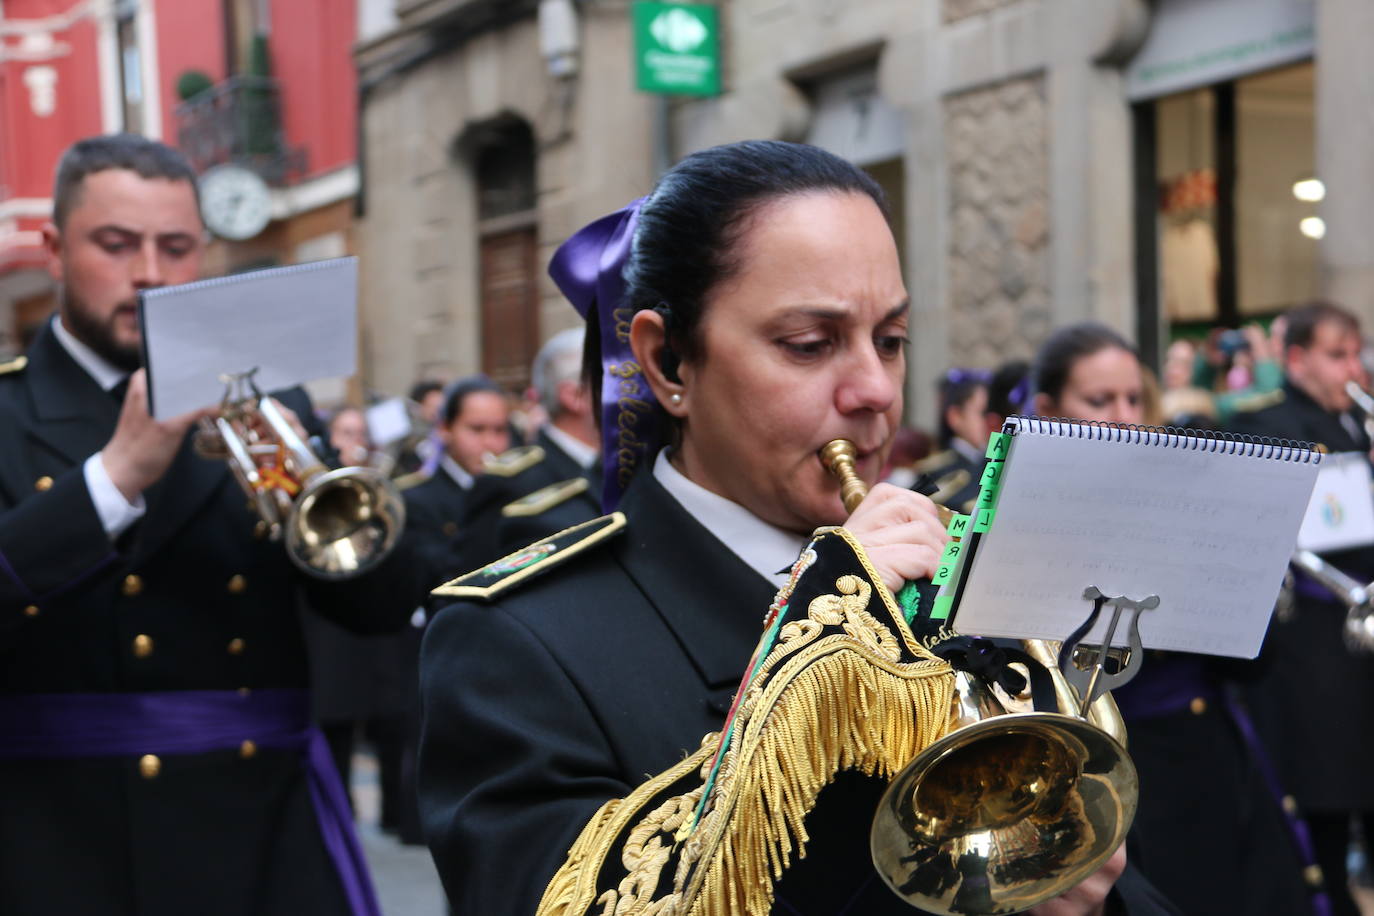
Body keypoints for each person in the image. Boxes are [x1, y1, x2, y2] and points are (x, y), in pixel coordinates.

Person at [419, 140, 1174, 915]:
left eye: (890, 340)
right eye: (809, 346)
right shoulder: (516, 641)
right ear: (670, 362)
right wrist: (821, 642)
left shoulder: (967, 579)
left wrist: (1089, 894)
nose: (876, 389)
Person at [0, 134, 411, 915]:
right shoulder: (7, 411)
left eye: (176, 247)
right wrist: (113, 477)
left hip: (262, 837)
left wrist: (326, 496)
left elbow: (380, 610)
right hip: (55, 840)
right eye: (115, 245)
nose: (149, 274)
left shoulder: (262, 404)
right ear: (55, 250)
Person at [1033, 322, 1324, 916]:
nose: (1124, 416)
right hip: (1119, 780)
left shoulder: (1174, 498)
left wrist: (1233, 564)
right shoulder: (1032, 521)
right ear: (1048, 410)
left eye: (1133, 398)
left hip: (1216, 759)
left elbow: (1250, 664)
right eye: (1099, 401)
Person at [1229, 301, 1374, 916]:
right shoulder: (1273, 424)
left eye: (1355, 355)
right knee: (1329, 791)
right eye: (1337, 355)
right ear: (1295, 359)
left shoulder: (1355, 424)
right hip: (1314, 642)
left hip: (1360, 642)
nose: (1353, 370)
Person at [450, 328, 601, 573]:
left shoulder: (623, 466)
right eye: (617, 378)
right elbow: (471, 587)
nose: (632, 390)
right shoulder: (511, 483)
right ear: (574, 396)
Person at [912, 369, 989, 512]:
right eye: (983, 413)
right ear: (956, 417)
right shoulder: (936, 470)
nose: (990, 421)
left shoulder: (991, 463)